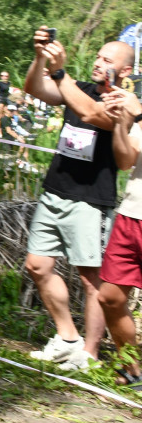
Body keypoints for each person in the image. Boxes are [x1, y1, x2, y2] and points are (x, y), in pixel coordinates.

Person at [22, 29, 132, 370]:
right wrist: (41, 55)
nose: (99, 63)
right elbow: (34, 88)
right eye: (98, 57)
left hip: (91, 200)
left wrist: (59, 71)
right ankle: (68, 337)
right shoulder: (78, 88)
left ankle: (91, 352)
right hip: (56, 191)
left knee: (91, 280)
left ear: (125, 71)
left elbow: (89, 114)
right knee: (37, 265)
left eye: (107, 60)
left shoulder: (122, 104)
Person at [96, 86, 142, 390]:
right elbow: (126, 161)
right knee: (109, 296)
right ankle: (133, 370)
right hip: (132, 214)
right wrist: (120, 124)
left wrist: (137, 112)